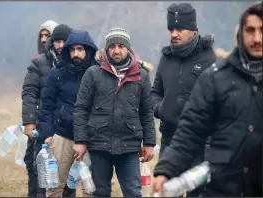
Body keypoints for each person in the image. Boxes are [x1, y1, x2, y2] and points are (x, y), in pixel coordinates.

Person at [153, 2, 262, 197]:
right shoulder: (219, 76)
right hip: (222, 184)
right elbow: (191, 129)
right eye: (250, 30)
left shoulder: (207, 61)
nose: (257, 38)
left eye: (262, 30)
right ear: (240, 34)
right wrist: (166, 168)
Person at [73, 27, 156, 197]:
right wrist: (80, 140)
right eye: (112, 46)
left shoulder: (142, 75)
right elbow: (81, 109)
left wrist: (149, 143)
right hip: (99, 144)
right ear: (106, 48)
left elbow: (147, 112)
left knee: (133, 192)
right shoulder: (93, 73)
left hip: (129, 145)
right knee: (100, 193)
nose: (116, 50)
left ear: (128, 48)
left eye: (120, 46)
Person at [150, 3, 216, 196]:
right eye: (171, 29)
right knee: (167, 193)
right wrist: (161, 109)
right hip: (170, 142)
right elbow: (155, 92)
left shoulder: (208, 59)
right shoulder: (166, 58)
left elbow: (218, 106)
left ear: (193, 30)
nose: (174, 34)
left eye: (179, 29)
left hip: (200, 145)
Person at [39, 29, 98, 197]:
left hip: (90, 138)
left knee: (90, 189)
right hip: (62, 136)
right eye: (72, 50)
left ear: (88, 50)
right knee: (55, 186)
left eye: (80, 49)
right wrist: (49, 134)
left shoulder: (98, 73)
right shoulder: (57, 73)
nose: (75, 54)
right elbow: (47, 105)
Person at [21, 23, 72, 197]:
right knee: (40, 172)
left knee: (67, 178)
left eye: (47, 36)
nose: (44, 40)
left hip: (67, 127)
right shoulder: (38, 63)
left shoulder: (76, 63)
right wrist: (29, 120)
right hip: (44, 124)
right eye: (42, 36)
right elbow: (29, 92)